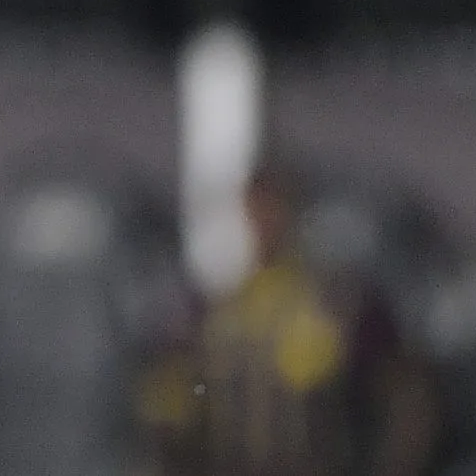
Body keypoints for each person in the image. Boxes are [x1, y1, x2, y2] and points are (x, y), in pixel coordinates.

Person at [141, 162, 439, 476]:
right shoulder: (215, 313)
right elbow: (174, 403)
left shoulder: (343, 308)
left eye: (275, 207)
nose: (265, 221)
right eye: (256, 208)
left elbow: (409, 400)